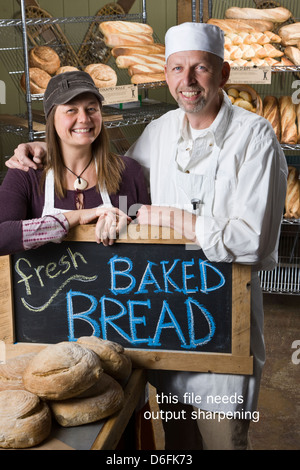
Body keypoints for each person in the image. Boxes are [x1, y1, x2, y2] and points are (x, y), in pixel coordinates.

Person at [6, 23, 288, 450]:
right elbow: (115, 182)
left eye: (200, 68)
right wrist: (43, 148)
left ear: (224, 73)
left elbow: (252, 242)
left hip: (222, 333)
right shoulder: (159, 133)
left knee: (223, 441)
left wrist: (174, 218)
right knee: (177, 444)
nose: (187, 81)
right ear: (167, 75)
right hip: (167, 334)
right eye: (177, 69)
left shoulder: (256, 138)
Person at [0, 71, 149, 256]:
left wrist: (127, 227)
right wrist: (75, 217)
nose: (84, 119)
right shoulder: (27, 172)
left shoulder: (128, 171)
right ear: (51, 119)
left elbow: (148, 240)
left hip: (119, 281)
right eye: (71, 110)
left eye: (91, 109)